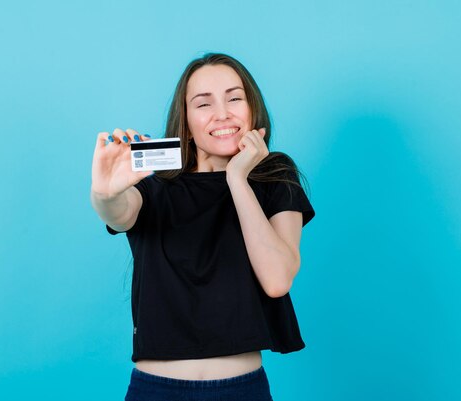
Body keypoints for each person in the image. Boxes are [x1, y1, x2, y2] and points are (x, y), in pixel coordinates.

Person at [90, 53, 315, 401]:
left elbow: (277, 280)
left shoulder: (275, 176)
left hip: (241, 390)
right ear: (187, 121)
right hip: (155, 391)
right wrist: (104, 194)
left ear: (252, 107)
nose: (222, 113)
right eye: (203, 103)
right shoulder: (156, 185)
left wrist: (238, 179)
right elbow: (119, 213)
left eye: (234, 98)